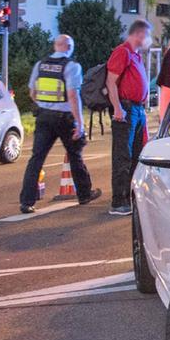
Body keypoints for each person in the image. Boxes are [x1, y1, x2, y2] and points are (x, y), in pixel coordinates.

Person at [20, 35, 101, 214]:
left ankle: (27, 202)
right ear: (69, 47)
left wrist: (43, 105)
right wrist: (79, 123)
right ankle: (84, 194)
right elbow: (73, 95)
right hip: (64, 117)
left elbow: (32, 92)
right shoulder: (72, 67)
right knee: (74, 154)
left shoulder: (40, 65)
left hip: (43, 116)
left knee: (36, 158)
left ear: (56, 46)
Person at [106, 19, 153, 216]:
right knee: (123, 156)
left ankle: (130, 196)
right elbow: (111, 82)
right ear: (139, 34)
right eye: (147, 35)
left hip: (137, 109)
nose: (148, 40)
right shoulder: (122, 52)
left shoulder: (136, 56)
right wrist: (117, 107)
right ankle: (119, 201)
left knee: (136, 155)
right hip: (125, 109)